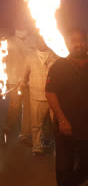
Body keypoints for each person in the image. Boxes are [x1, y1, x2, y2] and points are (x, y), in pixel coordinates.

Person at [46, 28, 88, 186]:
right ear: (68, 44)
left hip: (86, 127)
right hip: (66, 127)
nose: (78, 44)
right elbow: (50, 93)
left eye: (82, 40)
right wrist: (62, 120)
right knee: (64, 168)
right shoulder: (59, 66)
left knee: (84, 167)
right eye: (74, 40)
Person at [22, 35, 58, 155]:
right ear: (36, 41)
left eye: (44, 40)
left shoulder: (56, 56)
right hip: (36, 95)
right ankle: (37, 147)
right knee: (36, 124)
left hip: (54, 96)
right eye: (40, 40)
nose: (42, 42)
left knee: (56, 124)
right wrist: (21, 81)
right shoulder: (30, 56)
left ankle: (58, 148)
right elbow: (23, 74)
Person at [3, 27, 32, 144]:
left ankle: (24, 135)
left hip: (30, 80)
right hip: (14, 79)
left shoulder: (32, 40)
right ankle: (9, 126)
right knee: (15, 106)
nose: (22, 26)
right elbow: (2, 59)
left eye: (24, 24)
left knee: (28, 108)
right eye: (20, 24)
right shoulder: (8, 41)